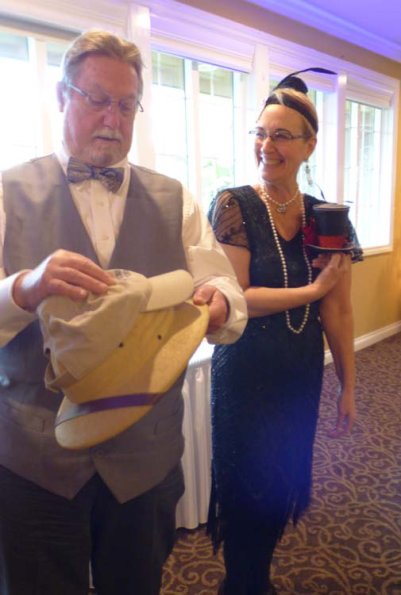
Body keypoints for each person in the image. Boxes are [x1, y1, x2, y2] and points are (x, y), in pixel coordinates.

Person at [0, 30, 247, 595]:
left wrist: (217, 302)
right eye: (96, 99)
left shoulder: (176, 198)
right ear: (61, 96)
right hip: (35, 461)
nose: (112, 118)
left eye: (127, 104)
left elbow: (223, 285)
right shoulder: (7, 193)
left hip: (145, 459)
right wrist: (25, 288)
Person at [207, 71, 363, 595]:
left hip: (299, 373)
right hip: (244, 373)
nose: (266, 146)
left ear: (309, 145)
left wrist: (348, 386)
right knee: (244, 489)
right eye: (260, 133)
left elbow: (339, 311)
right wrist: (310, 291)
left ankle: (256, 578)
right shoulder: (234, 205)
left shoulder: (328, 217)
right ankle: (242, 583)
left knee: (280, 483)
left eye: (281, 135)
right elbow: (238, 296)